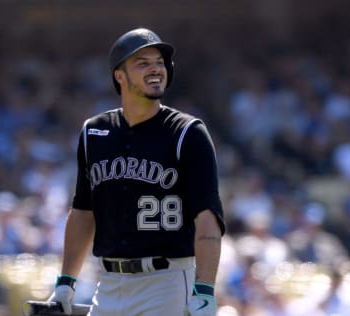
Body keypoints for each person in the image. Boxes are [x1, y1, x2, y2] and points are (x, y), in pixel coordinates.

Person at [47, 27, 226, 316]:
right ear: (120, 75)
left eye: (159, 62)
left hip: (166, 282)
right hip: (107, 284)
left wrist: (204, 289)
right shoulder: (94, 131)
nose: (156, 69)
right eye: (143, 63)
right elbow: (82, 211)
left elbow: (208, 217)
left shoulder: (187, 132)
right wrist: (66, 282)